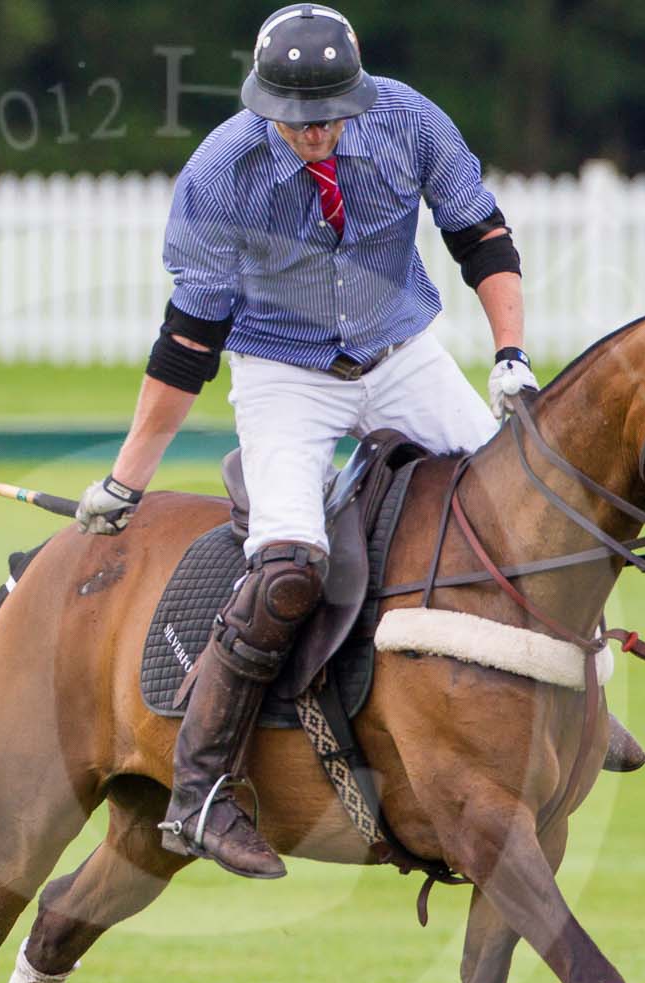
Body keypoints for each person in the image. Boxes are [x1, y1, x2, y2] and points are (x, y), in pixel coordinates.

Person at [75, 5, 537, 879]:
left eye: (329, 115)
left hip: (403, 356)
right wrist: (128, 480)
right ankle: (203, 786)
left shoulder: (407, 121)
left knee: (519, 509)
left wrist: (510, 356)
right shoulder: (221, 173)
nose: (315, 135)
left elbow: (482, 238)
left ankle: (580, 700)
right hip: (284, 376)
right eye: (297, 118)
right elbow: (187, 346)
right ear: (265, 104)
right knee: (289, 565)